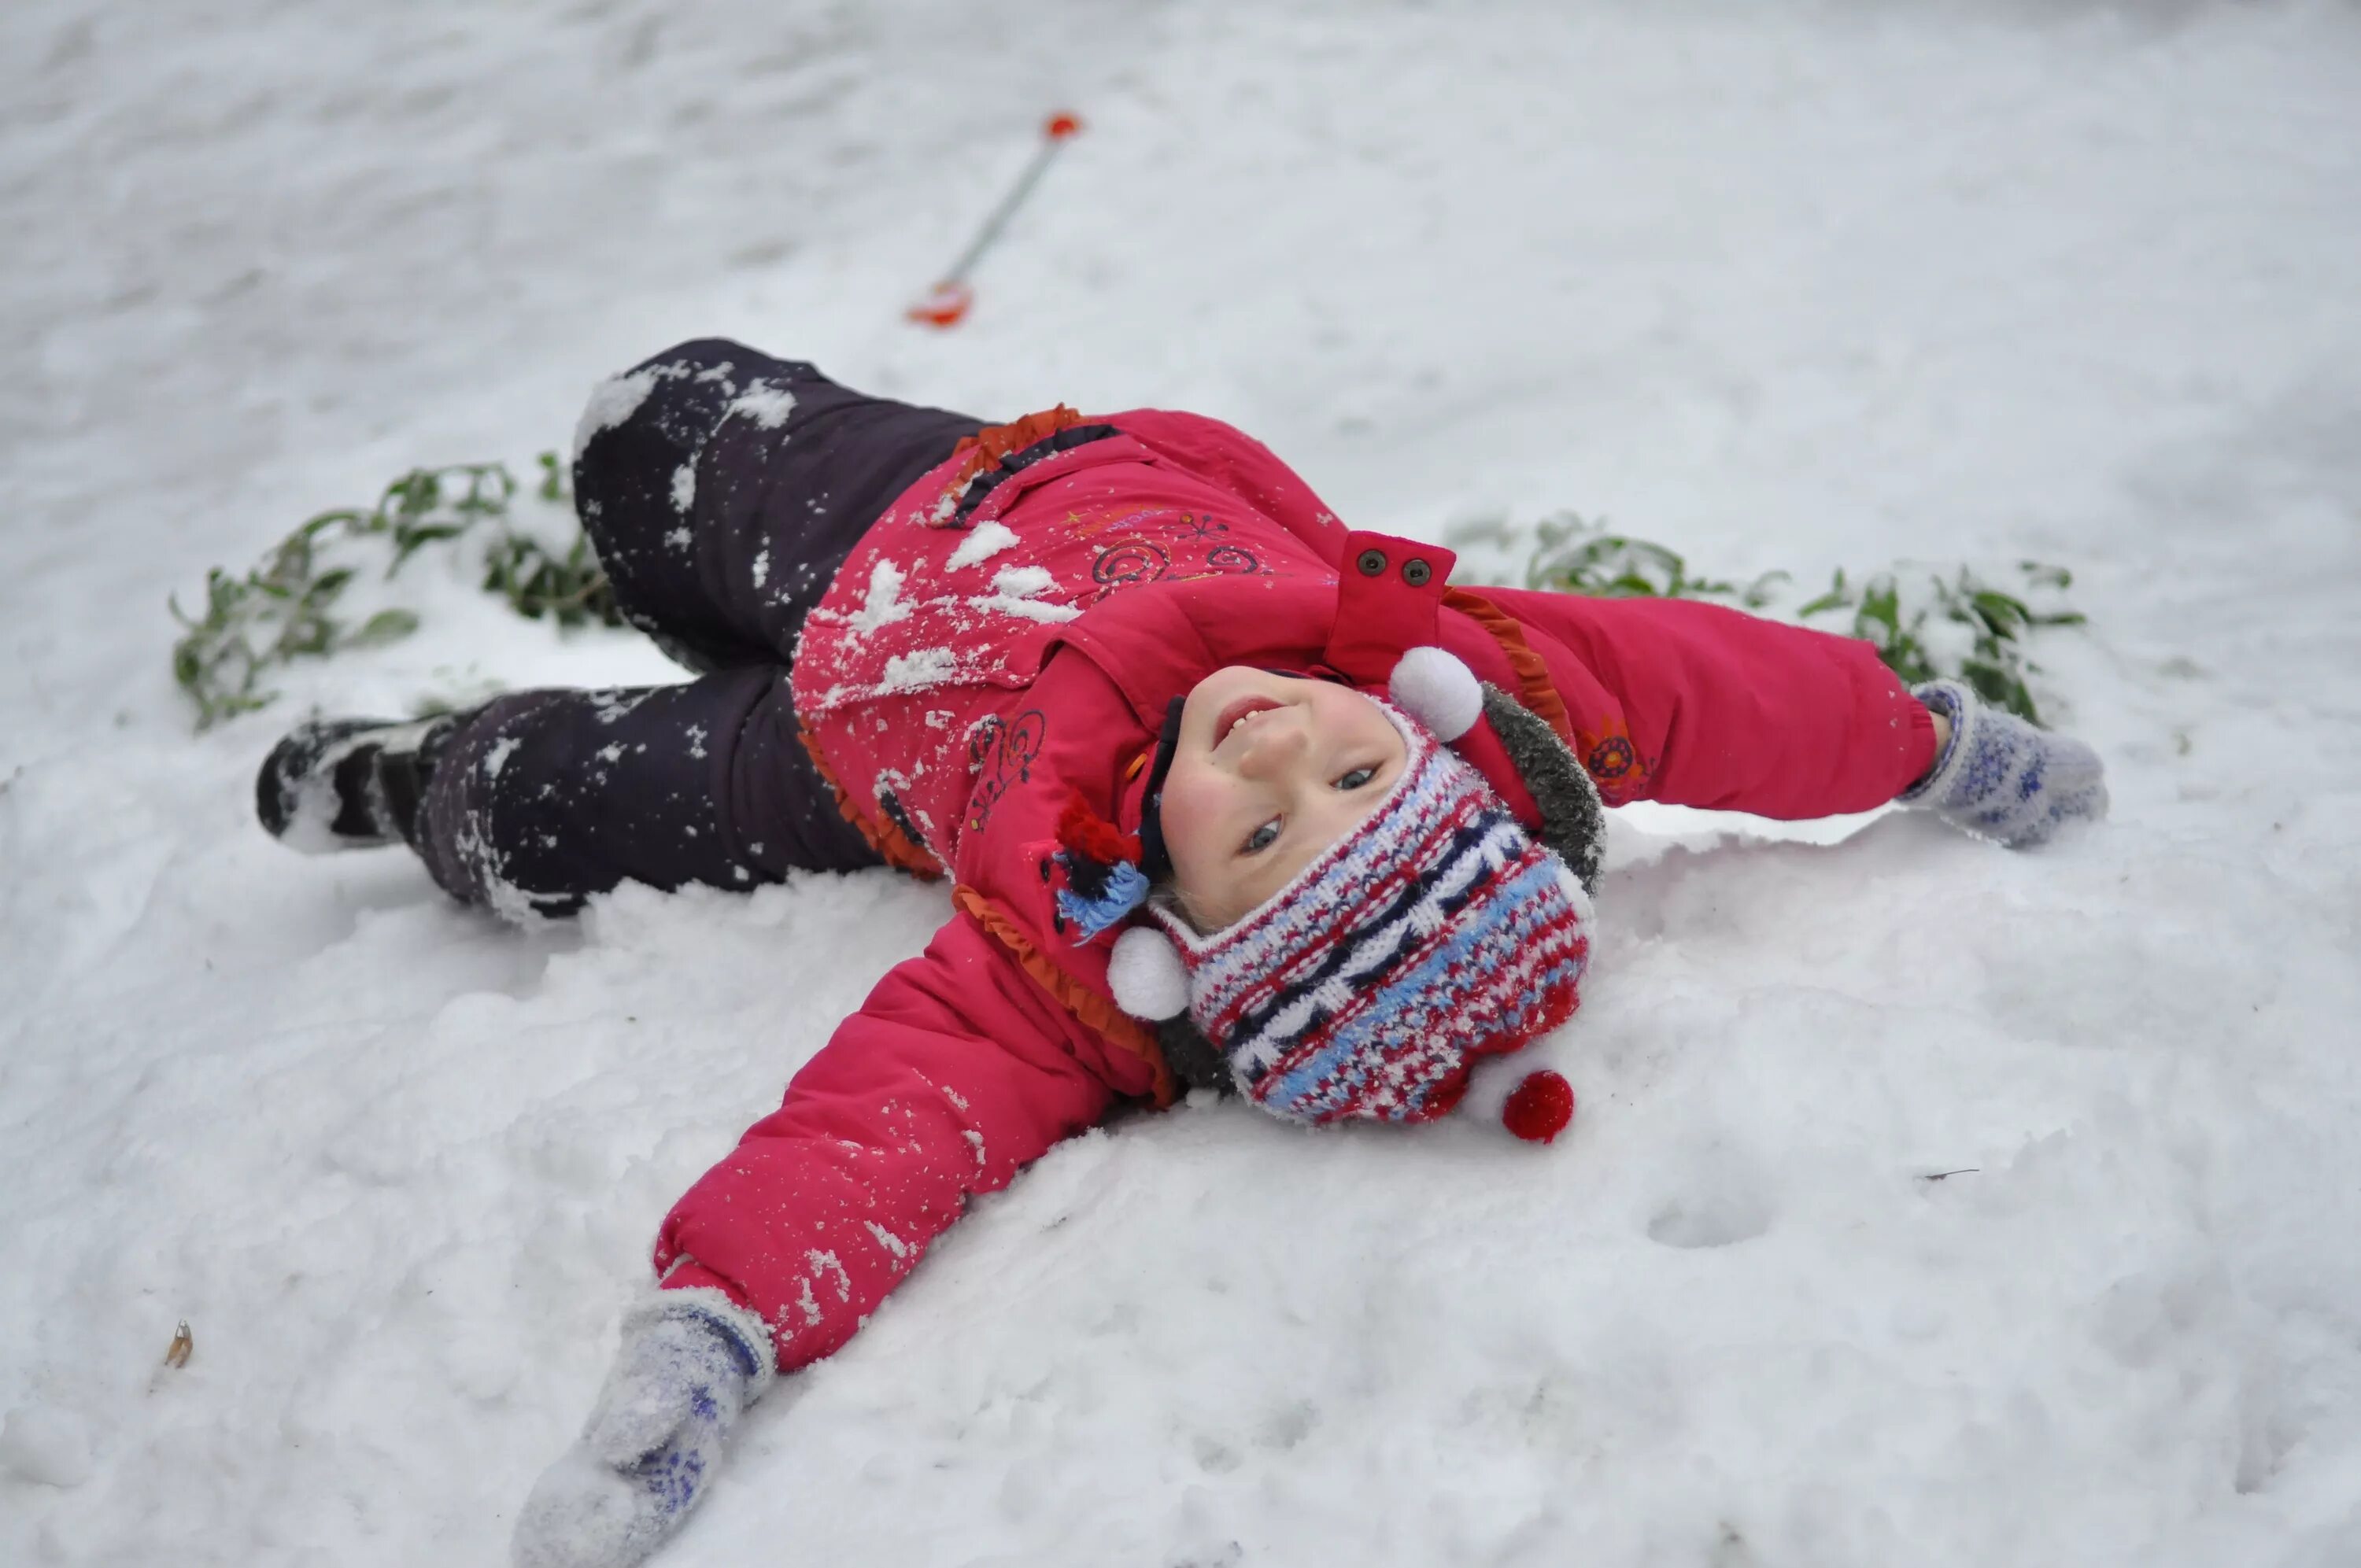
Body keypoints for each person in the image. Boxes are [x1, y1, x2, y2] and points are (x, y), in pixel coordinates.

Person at [253, 339, 2108, 1568]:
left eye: (1272, 834)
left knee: (556, 803)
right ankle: (670, 566)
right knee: (649, 427)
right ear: (1429, 731)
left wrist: (714, 1330)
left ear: (1190, 936)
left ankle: (414, 782)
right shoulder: (1471, 669)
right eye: (1359, 765)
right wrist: (1934, 743)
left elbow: (889, 1126)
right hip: (942, 508)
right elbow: (1725, 689)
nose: (1288, 750)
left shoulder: (1069, 964)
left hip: (843, 766)